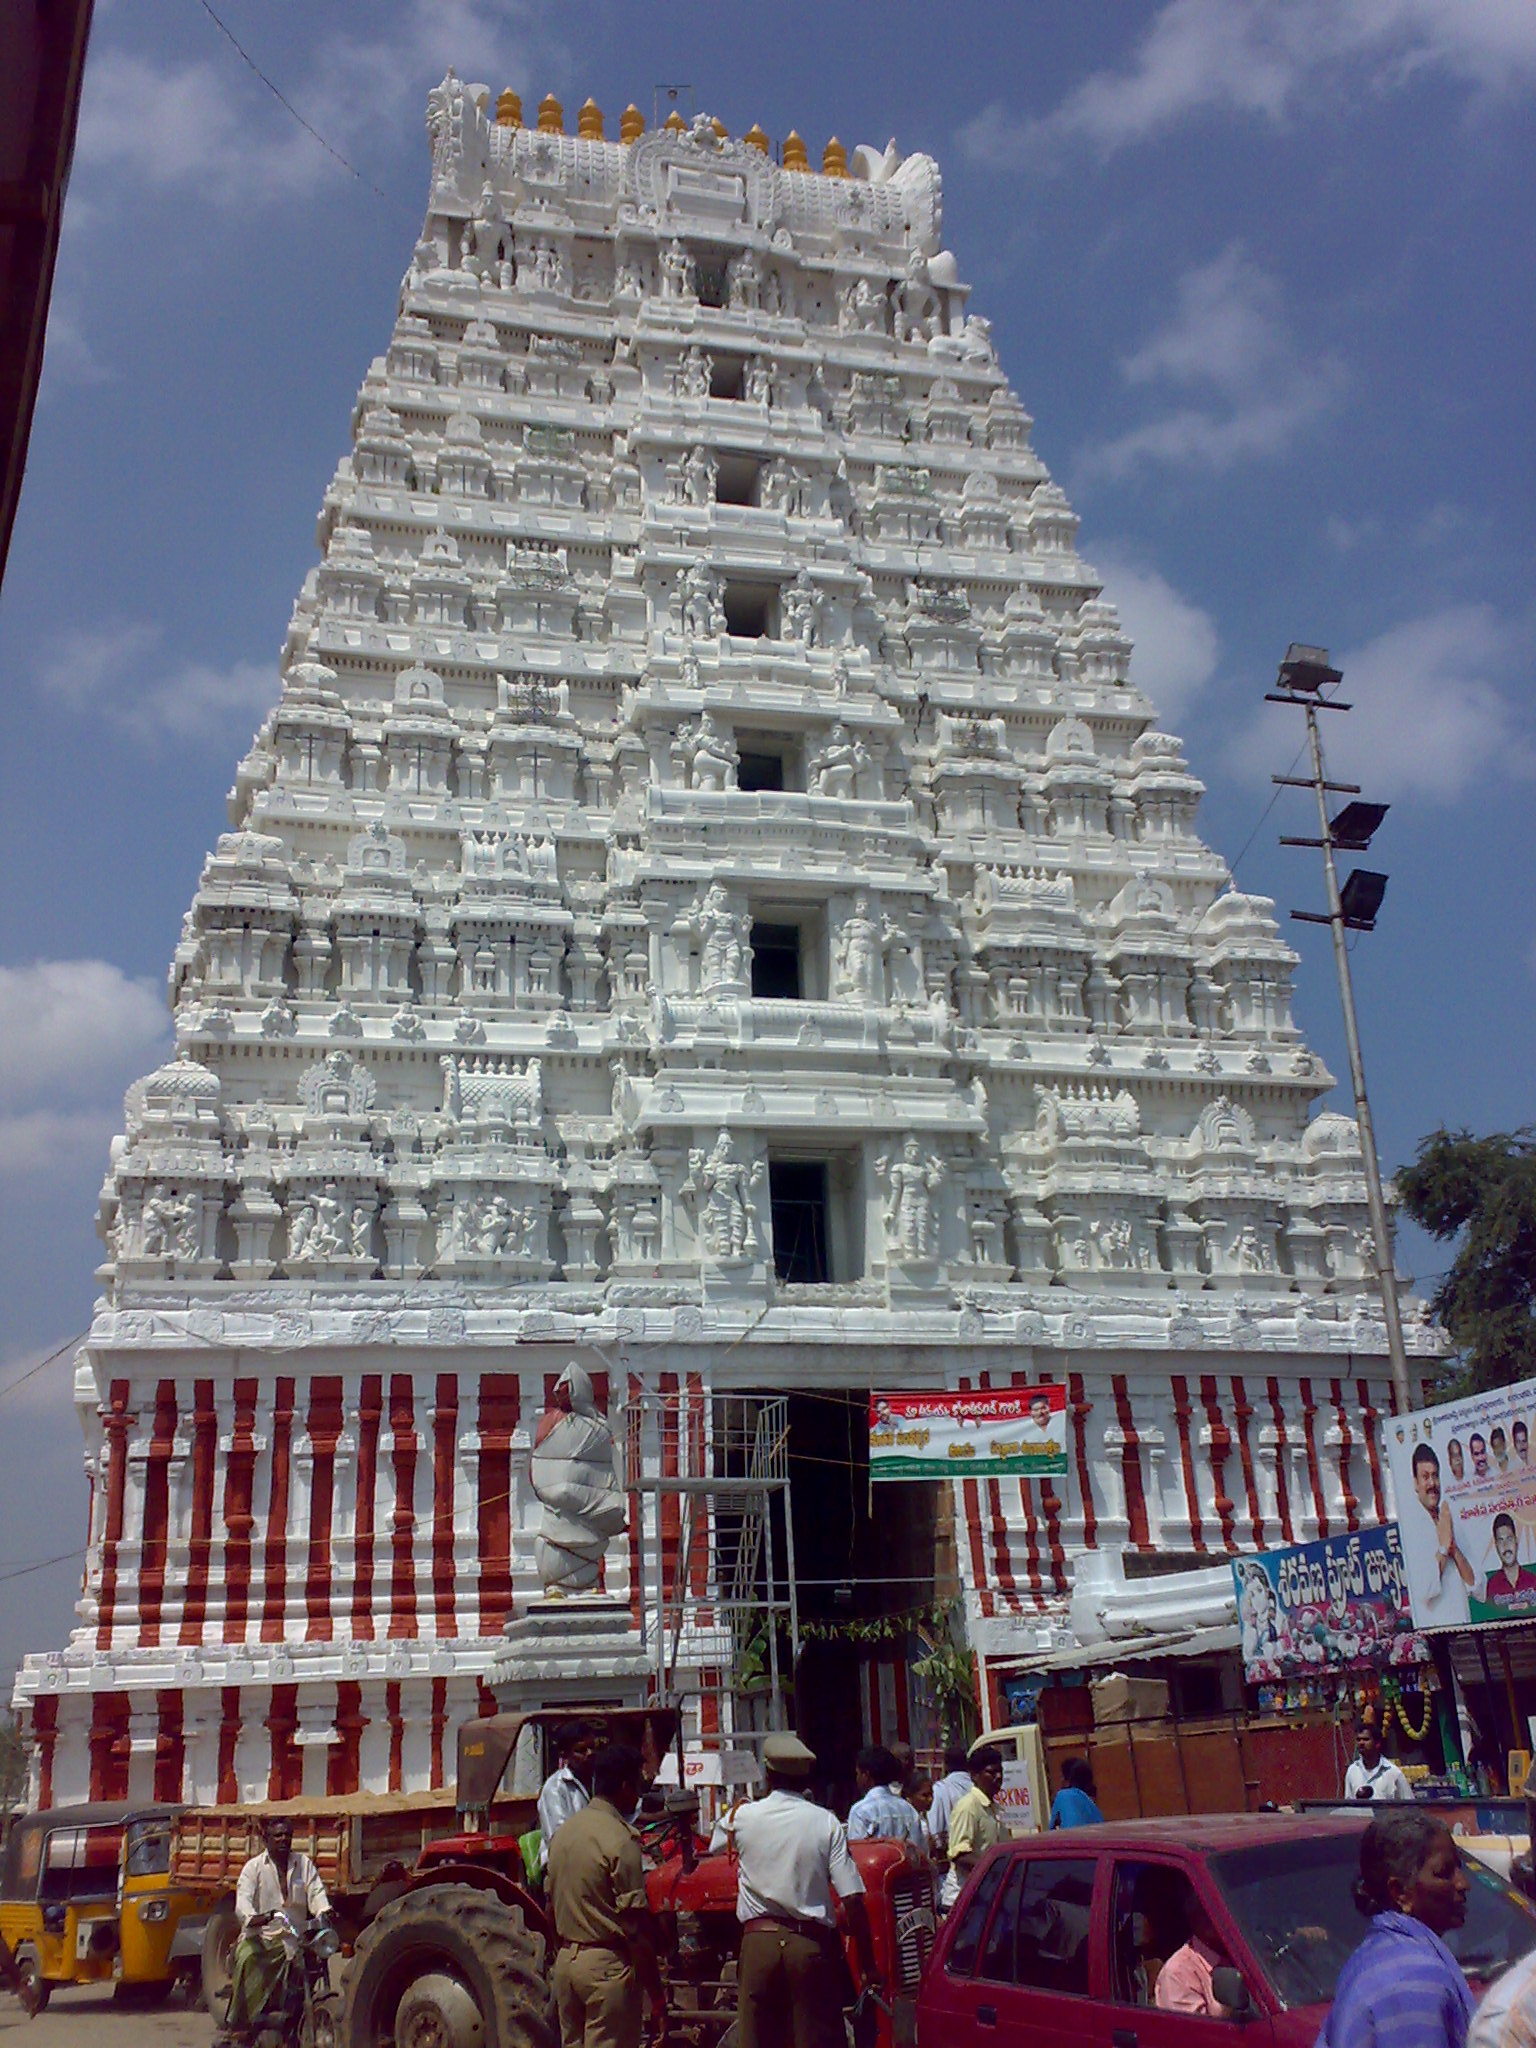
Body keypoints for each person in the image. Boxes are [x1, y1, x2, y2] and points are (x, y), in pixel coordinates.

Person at [724, 1731, 875, 2048]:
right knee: (816, 2037)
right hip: (809, 1947)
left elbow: (715, 1843)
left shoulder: (742, 1817)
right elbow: (852, 1898)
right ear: (805, 1776)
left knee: (756, 2038)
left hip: (758, 1946)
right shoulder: (825, 1822)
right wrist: (868, 1965)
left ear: (767, 1773)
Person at [1318, 1810, 1473, 2048]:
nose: (1463, 1884)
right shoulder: (1413, 1974)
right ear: (1400, 1892)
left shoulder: (1372, 1959)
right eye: (1444, 1873)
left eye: (1459, 1869)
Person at [546, 1743, 666, 2048]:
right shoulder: (620, 1839)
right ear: (624, 1787)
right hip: (605, 1968)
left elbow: (550, 1906)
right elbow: (636, 1931)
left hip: (566, 1965)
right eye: (636, 1787)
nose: (639, 1795)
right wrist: (657, 1996)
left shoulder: (563, 1835)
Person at [218, 1816, 331, 2044]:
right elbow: (243, 1904)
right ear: (266, 1839)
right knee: (247, 1956)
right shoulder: (254, 1868)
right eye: (277, 1835)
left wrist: (323, 1911)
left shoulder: (303, 1864)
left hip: (296, 1938)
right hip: (264, 1937)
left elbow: (316, 1890)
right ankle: (241, 2022)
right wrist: (258, 1918)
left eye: (287, 1835)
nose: (283, 1839)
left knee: (318, 1960)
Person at [1399, 1444, 1474, 1625]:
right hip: (1438, 1630)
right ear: (1416, 1483)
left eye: (1435, 1476)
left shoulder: (1448, 1519)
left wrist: (1453, 1548)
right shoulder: (1411, 1528)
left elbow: (1475, 1582)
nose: (1432, 1483)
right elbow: (1425, 1589)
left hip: (1467, 1621)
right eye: (1425, 1477)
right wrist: (1442, 1548)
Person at [942, 1747, 1007, 1908]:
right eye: (991, 1772)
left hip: (986, 1896)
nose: (998, 1777)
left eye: (1000, 1772)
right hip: (964, 1901)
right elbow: (960, 1855)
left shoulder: (995, 1808)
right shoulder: (968, 1806)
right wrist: (994, 1869)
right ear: (974, 1776)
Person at [1155, 1892, 1234, 2016]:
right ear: (1195, 1920)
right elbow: (1197, 2033)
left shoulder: (1245, 1954)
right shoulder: (1177, 1973)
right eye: (1207, 1914)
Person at [540, 1719, 601, 1870]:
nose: (590, 1754)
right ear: (565, 1755)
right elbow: (561, 1839)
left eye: (592, 1748)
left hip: (597, 1858)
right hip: (564, 1865)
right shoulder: (555, 1788)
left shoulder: (600, 1781)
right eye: (581, 1750)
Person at [847, 1745, 927, 1850]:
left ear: (865, 1775)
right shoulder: (908, 1809)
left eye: (858, 1773)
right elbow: (921, 1852)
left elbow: (857, 1854)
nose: (857, 1778)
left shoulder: (860, 1811)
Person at [1345, 1705, 1415, 1803]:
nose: (1361, 1743)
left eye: (1366, 1739)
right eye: (1358, 1739)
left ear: (1377, 1743)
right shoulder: (1352, 1771)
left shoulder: (1393, 1773)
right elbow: (1348, 1805)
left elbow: (1410, 1805)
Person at [1479, 1514, 1536, 1615]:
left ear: (1516, 1542)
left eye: (1509, 1539)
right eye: (1501, 1541)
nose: (1506, 1546)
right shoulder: (1492, 1585)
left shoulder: (1533, 1580)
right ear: (1496, 1546)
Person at [927, 1744, 972, 1862]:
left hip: (952, 1858)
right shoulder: (977, 1785)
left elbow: (935, 1827)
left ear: (945, 1765)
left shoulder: (940, 1788)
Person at [1050, 1755, 1104, 1828]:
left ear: (1067, 1780)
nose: (1060, 1780)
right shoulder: (1092, 1806)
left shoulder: (1064, 1796)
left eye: (1062, 1776)